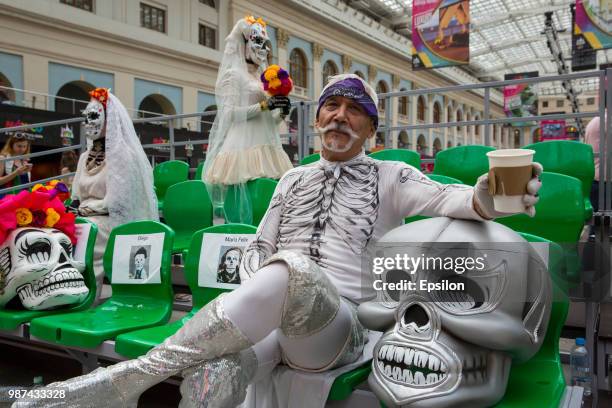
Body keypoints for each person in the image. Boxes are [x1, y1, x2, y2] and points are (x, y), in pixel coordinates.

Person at [14, 74, 542, 408]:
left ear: (373, 132)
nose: (339, 114)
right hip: (273, 314)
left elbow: (464, 204)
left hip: (342, 329)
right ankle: (128, 388)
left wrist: (494, 193)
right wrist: (254, 298)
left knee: (294, 272)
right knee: (216, 370)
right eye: (330, 106)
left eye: (354, 108)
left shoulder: (392, 178)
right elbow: (258, 250)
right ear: (316, 123)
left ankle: (124, 382)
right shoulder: (292, 179)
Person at [69, 88, 158, 301]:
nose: (88, 122)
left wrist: (87, 210)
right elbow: (75, 196)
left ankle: (87, 300)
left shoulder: (124, 156)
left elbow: (118, 202)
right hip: (86, 218)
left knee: (90, 235)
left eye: (94, 116)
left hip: (111, 221)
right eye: (86, 117)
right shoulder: (83, 158)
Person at [203, 16, 293, 224]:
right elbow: (229, 113)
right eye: (257, 42)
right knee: (242, 212)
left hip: (267, 147)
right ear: (243, 43)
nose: (262, 48)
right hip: (241, 149)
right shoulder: (233, 75)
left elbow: (270, 122)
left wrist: (282, 111)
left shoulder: (263, 78)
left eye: (265, 44)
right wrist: (264, 105)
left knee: (268, 206)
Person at [0, 133, 33, 199]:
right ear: (11, 145)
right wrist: (16, 173)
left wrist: (25, 173)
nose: (22, 149)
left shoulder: (25, 160)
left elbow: (26, 185)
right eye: (19, 146)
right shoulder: (2, 158)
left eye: (24, 146)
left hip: (24, 199)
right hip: (7, 199)